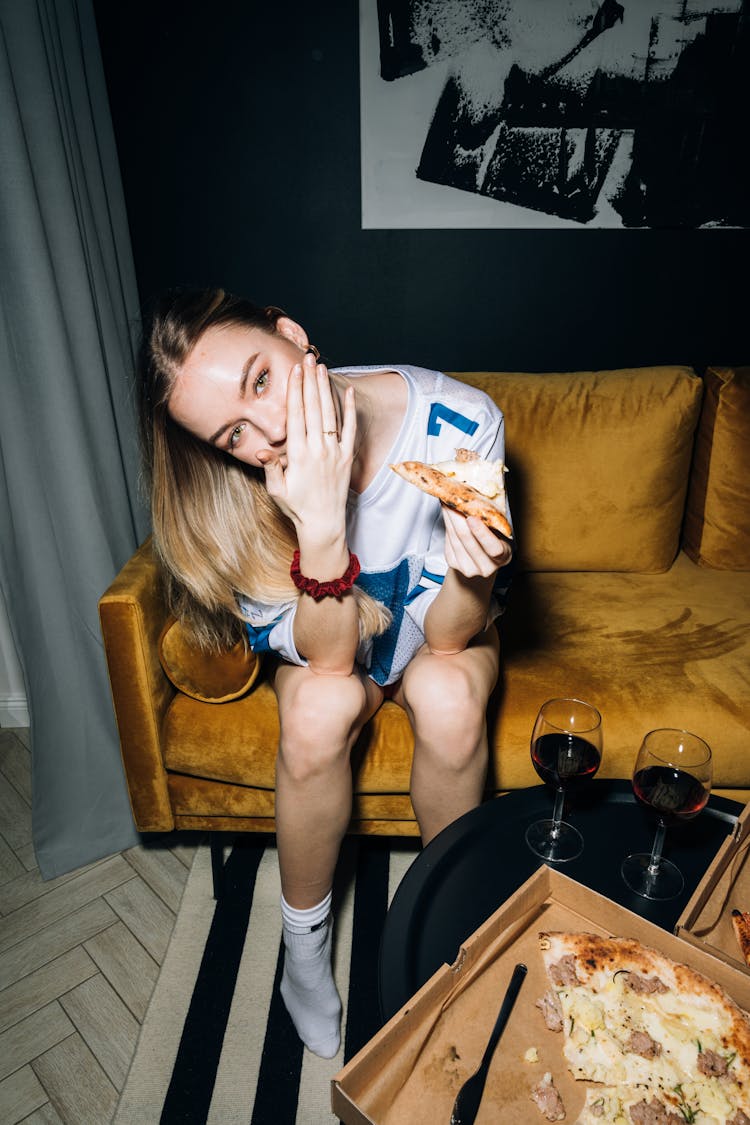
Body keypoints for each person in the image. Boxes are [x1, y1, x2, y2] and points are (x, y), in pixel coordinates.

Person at [138, 287, 513, 1058]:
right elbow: (333, 661)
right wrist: (321, 525)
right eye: (233, 432)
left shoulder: (460, 423)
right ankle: (303, 958)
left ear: (293, 335)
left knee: (445, 693)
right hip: (339, 639)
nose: (271, 430)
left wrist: (475, 577)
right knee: (317, 709)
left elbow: (447, 641)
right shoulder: (237, 502)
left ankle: (455, 930)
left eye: (261, 378)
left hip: (436, 634)